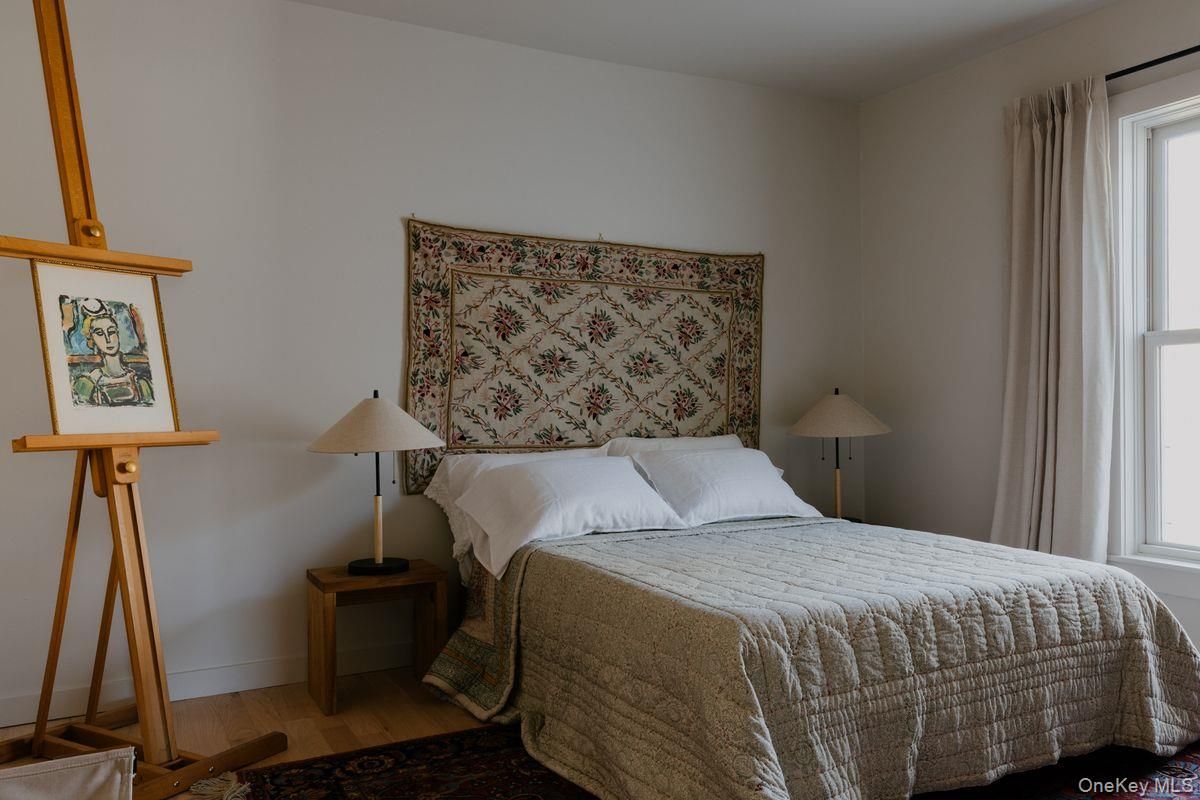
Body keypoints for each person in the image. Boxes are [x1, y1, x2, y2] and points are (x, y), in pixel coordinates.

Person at [72, 302, 154, 406]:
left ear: (118, 334)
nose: (108, 339)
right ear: (91, 340)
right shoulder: (88, 383)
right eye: (100, 333)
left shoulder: (141, 383)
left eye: (111, 332)